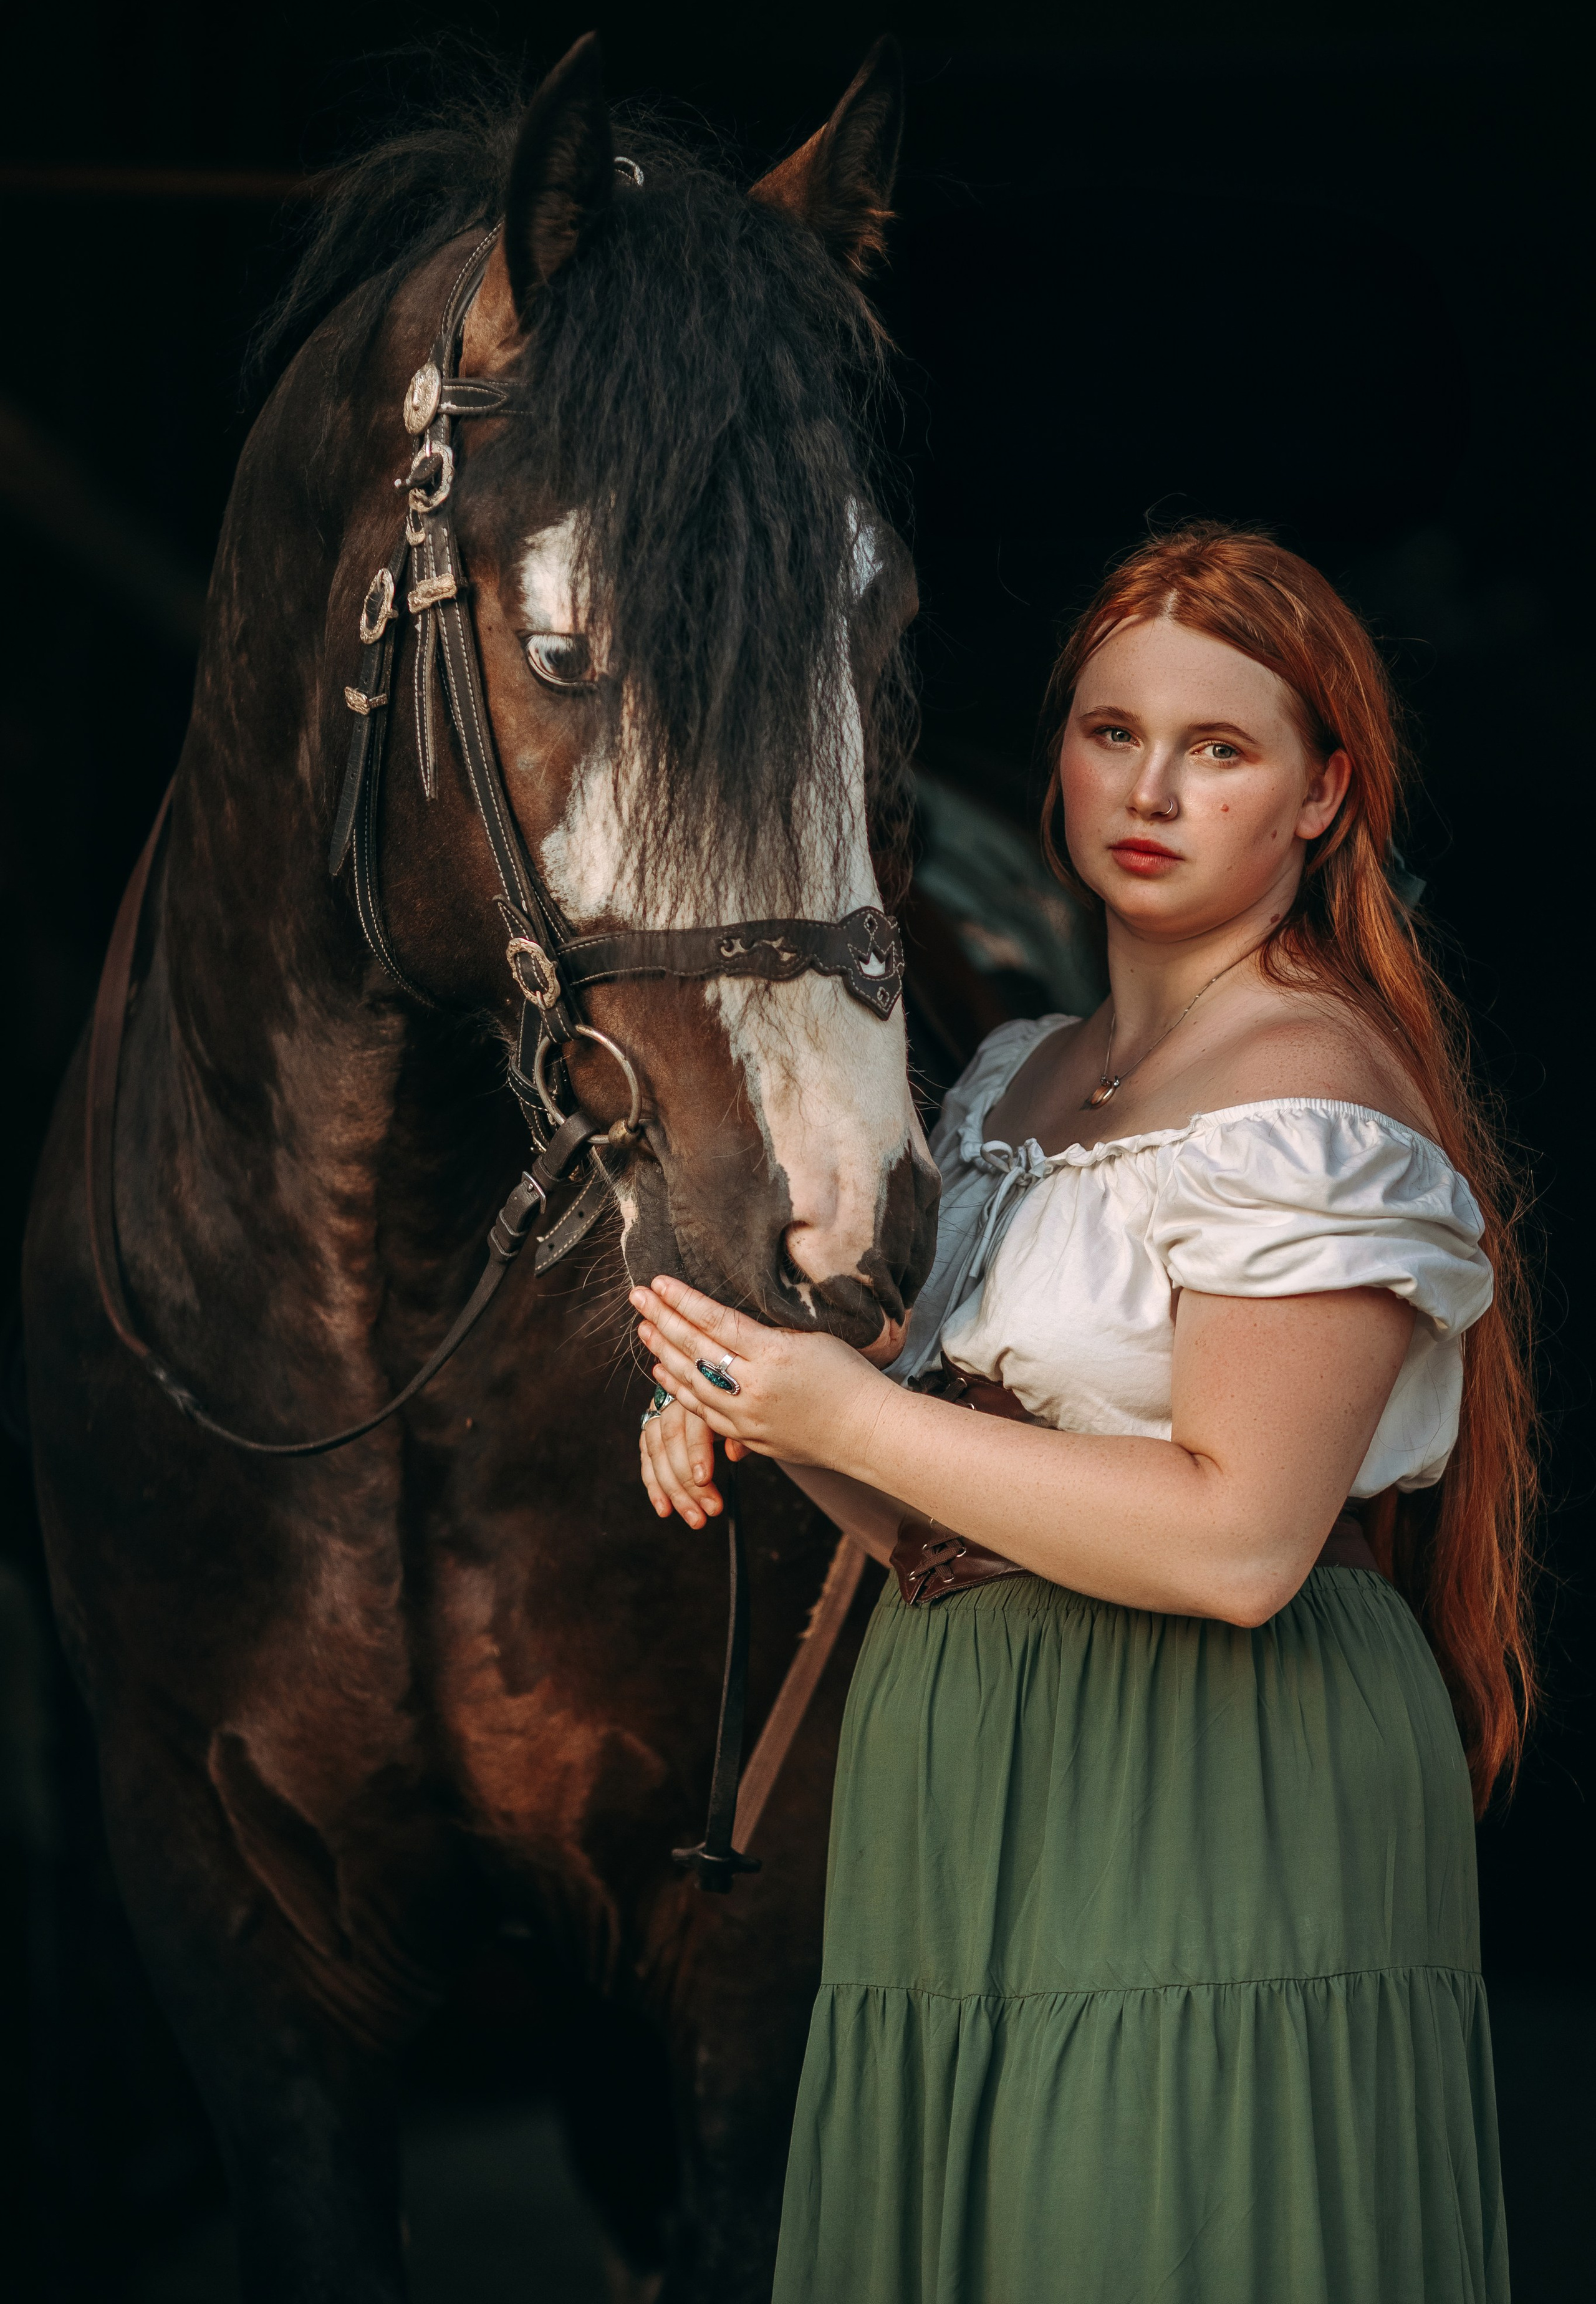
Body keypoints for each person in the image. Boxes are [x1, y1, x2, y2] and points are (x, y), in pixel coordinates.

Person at [631, 524, 1532, 2302]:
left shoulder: (1311, 1084)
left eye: (1222, 750)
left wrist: (853, 1409)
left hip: (1211, 1766)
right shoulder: (1012, 1072)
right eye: (1113, 732)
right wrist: (771, 1413)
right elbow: (948, 1525)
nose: (1152, 789)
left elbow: (1240, 1543)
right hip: (967, 1743)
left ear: (1324, 796)